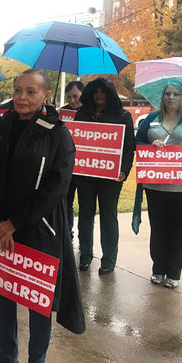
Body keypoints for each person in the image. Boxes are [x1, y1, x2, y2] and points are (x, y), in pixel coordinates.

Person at [0, 69, 85, 363]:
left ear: (46, 96)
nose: (22, 97)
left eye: (31, 92)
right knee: (3, 298)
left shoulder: (57, 133)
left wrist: (15, 223)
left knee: (37, 305)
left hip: (38, 230)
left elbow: (57, 188)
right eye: (18, 90)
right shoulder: (1, 126)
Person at [131, 79, 182, 289]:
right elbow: (137, 142)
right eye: (168, 94)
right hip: (154, 184)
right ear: (163, 96)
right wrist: (150, 144)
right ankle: (158, 268)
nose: (171, 98)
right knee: (158, 227)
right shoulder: (151, 118)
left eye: (176, 94)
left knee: (177, 229)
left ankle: (174, 270)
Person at [74, 78, 135, 275]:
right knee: (85, 213)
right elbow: (74, 141)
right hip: (85, 174)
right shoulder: (82, 114)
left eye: (103, 91)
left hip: (111, 176)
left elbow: (129, 147)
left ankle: (109, 259)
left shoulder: (122, 116)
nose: (99, 95)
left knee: (109, 215)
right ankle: (85, 255)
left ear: (109, 94)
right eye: (95, 91)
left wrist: (124, 169)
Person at [61, 81, 84, 240]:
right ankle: (67, 235)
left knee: (85, 207)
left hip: (86, 167)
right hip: (66, 166)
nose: (72, 100)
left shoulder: (91, 112)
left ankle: (85, 239)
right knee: (65, 202)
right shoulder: (62, 112)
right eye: (69, 97)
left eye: (75, 96)